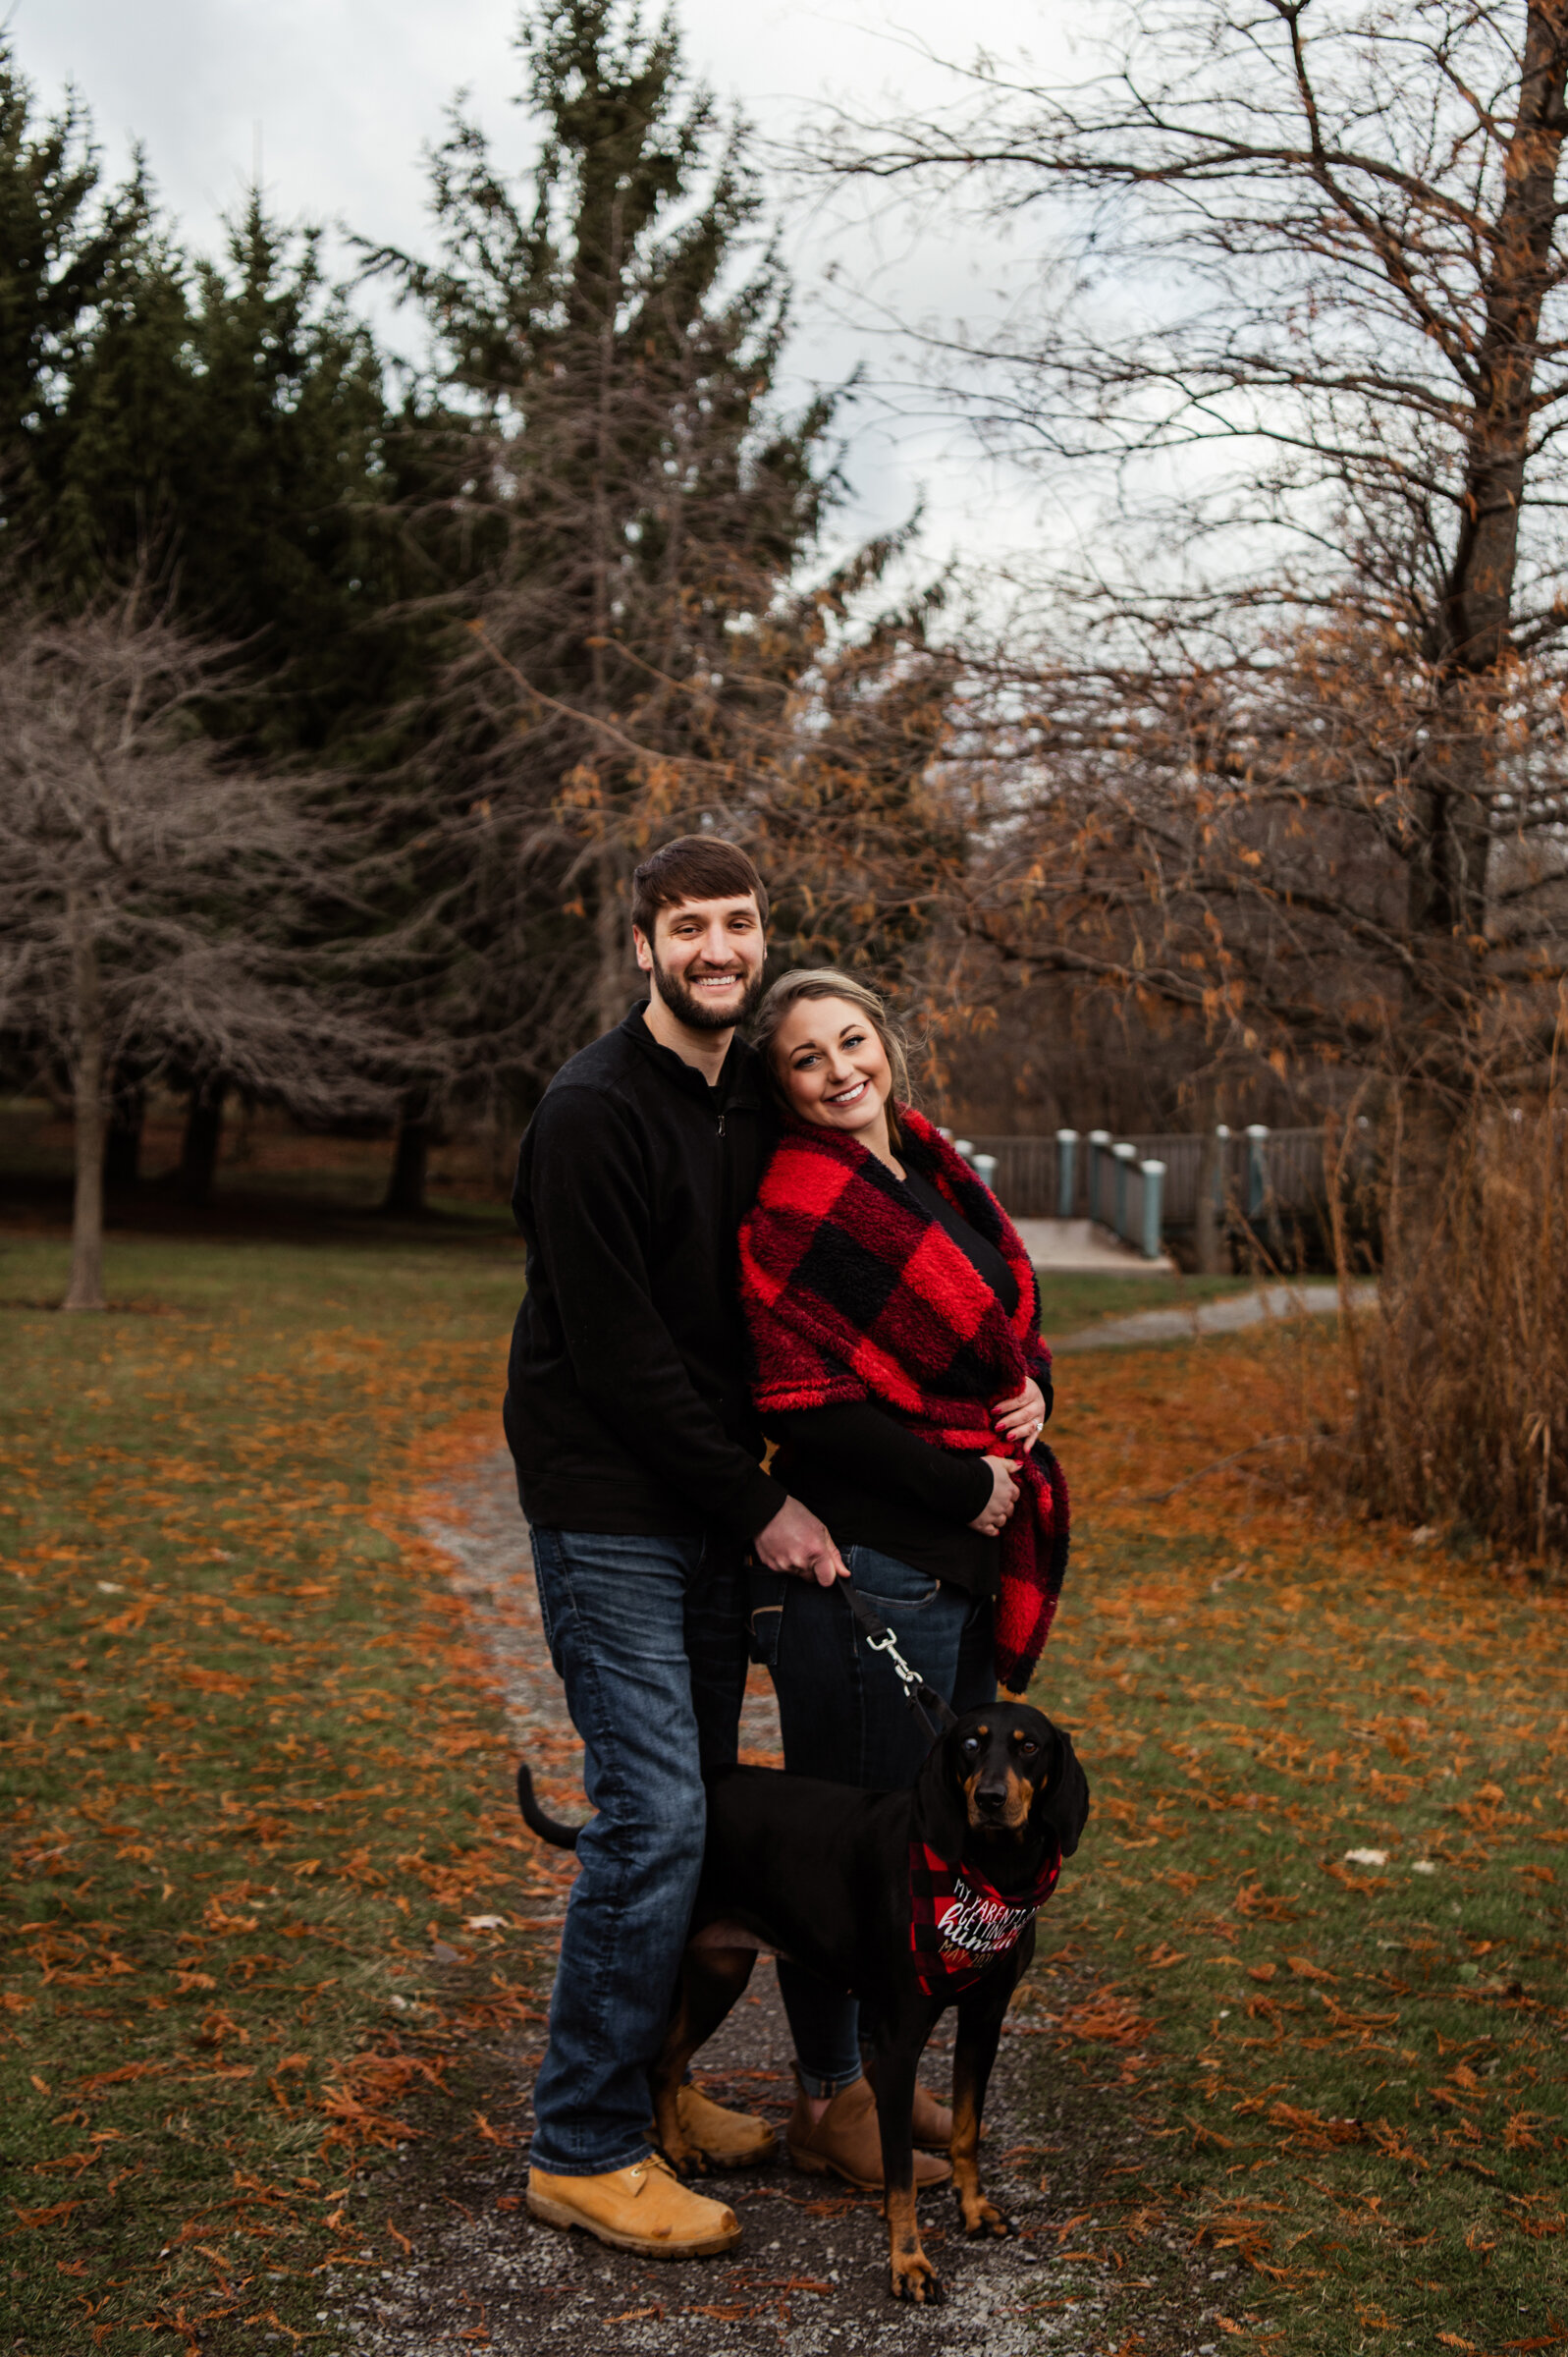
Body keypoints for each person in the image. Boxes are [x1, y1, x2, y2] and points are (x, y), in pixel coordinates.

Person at [505, 841, 848, 2261]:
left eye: (741, 923)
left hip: (708, 1509)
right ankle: (582, 2146)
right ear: (642, 944)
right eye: (690, 925)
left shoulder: (751, 1105)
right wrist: (762, 1506)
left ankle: (660, 2082)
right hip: (610, 1508)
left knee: (699, 1817)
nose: (720, 947)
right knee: (654, 1819)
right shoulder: (590, 1113)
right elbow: (622, 1360)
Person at [737, 968, 1070, 2189]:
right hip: (872, 1568)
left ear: (887, 1048)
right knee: (845, 1860)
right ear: (781, 1089)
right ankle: (829, 2101)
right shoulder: (794, 1201)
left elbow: (997, 1337)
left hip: (961, 1572)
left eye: (852, 1042)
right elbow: (800, 1407)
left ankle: (884, 2076)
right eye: (806, 1061)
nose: (839, 1072)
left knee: (931, 1849)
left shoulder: (931, 1172)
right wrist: (957, 1484)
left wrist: (1036, 1397)